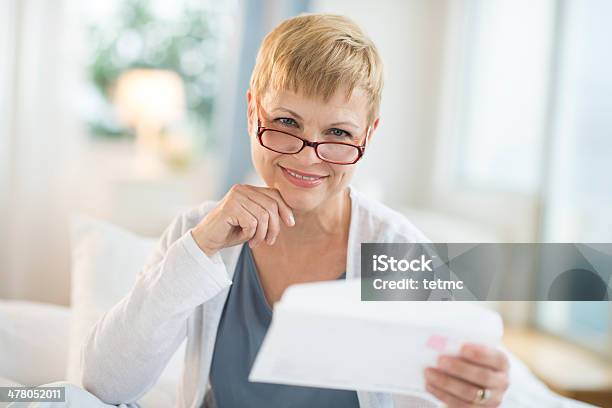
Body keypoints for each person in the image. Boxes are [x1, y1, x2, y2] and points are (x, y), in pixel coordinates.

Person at [13, 13, 596, 408]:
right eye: (286, 123)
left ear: (369, 134)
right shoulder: (197, 233)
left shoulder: (397, 251)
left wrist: (482, 393)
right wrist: (201, 248)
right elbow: (105, 383)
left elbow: (459, 380)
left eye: (338, 133)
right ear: (251, 111)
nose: (308, 157)